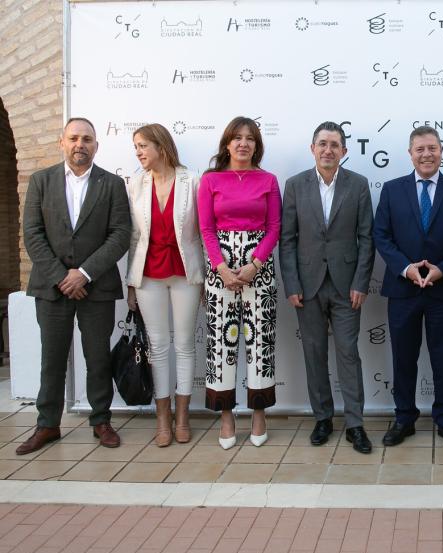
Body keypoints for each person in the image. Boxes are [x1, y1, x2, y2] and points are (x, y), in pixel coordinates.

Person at [17, 117, 130, 455]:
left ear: (96, 145)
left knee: (97, 358)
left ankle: (101, 421)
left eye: (87, 139)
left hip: (97, 288)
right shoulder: (41, 181)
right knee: (51, 359)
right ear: (62, 142)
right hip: (51, 289)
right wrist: (63, 277)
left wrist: (84, 273)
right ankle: (47, 425)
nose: (80, 144)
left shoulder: (111, 184)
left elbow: (120, 234)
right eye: (74, 138)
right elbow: (32, 234)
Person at [373, 126, 443, 448]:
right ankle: (404, 418)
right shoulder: (391, 190)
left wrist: (441, 270)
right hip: (403, 290)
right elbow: (382, 236)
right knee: (404, 358)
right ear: (410, 153)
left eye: (432, 148)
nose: (427, 154)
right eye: (420, 149)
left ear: (442, 151)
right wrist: (406, 268)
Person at [280, 122, 375, 452]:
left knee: (348, 354)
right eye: (322, 144)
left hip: (347, 286)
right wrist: (291, 283)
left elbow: (367, 239)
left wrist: (361, 282)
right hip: (307, 287)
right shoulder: (294, 186)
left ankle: (355, 424)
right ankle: (323, 418)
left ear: (344, 151)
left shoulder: (359, 185)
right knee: (314, 353)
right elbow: (287, 240)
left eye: (335, 145)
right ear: (313, 148)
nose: (328, 150)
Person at [197, 116, 280, 450]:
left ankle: (259, 413)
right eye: (238, 138)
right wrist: (222, 268)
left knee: (261, 342)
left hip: (259, 270)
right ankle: (226, 415)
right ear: (227, 143)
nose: (244, 143)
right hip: (221, 272)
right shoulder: (211, 180)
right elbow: (205, 228)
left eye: (250, 138)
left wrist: (254, 265)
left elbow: (274, 227)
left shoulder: (269, 180)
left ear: (257, 145)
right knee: (221, 343)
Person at [125, 123, 205, 447]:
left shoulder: (192, 180)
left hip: (185, 272)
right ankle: (162, 417)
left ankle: (183, 416)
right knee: (157, 348)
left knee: (184, 344)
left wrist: (205, 277)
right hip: (147, 274)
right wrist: (131, 283)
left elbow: (202, 233)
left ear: (161, 145)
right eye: (136, 148)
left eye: (143, 145)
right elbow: (134, 235)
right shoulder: (136, 183)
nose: (139, 153)